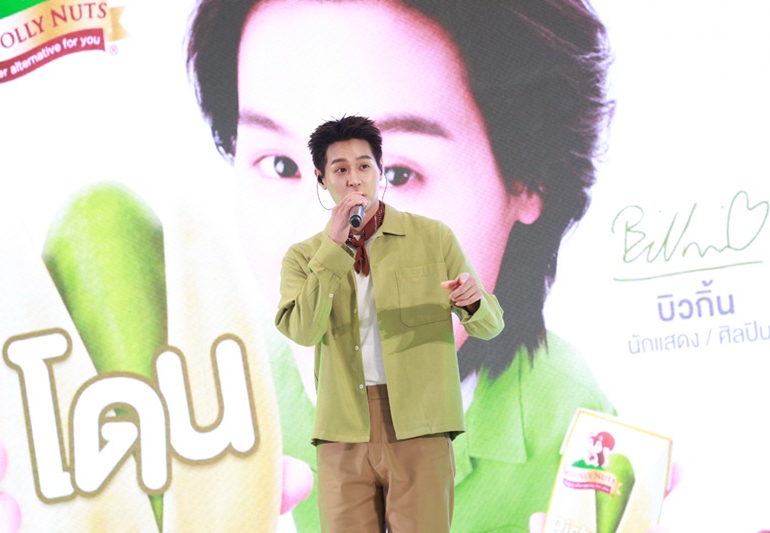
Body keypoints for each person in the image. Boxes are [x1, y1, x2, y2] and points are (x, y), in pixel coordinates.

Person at [186, 0, 617, 530]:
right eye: (281, 166)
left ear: (528, 179)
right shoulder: (209, 400)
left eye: (395, 175)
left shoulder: (574, 425)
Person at [276, 115, 503, 532]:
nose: (354, 178)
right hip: (344, 429)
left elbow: (489, 327)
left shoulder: (433, 237)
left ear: (380, 172)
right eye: (340, 169)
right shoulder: (303, 257)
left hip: (421, 426)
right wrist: (334, 248)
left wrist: (473, 302)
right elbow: (302, 330)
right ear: (321, 180)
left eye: (364, 165)